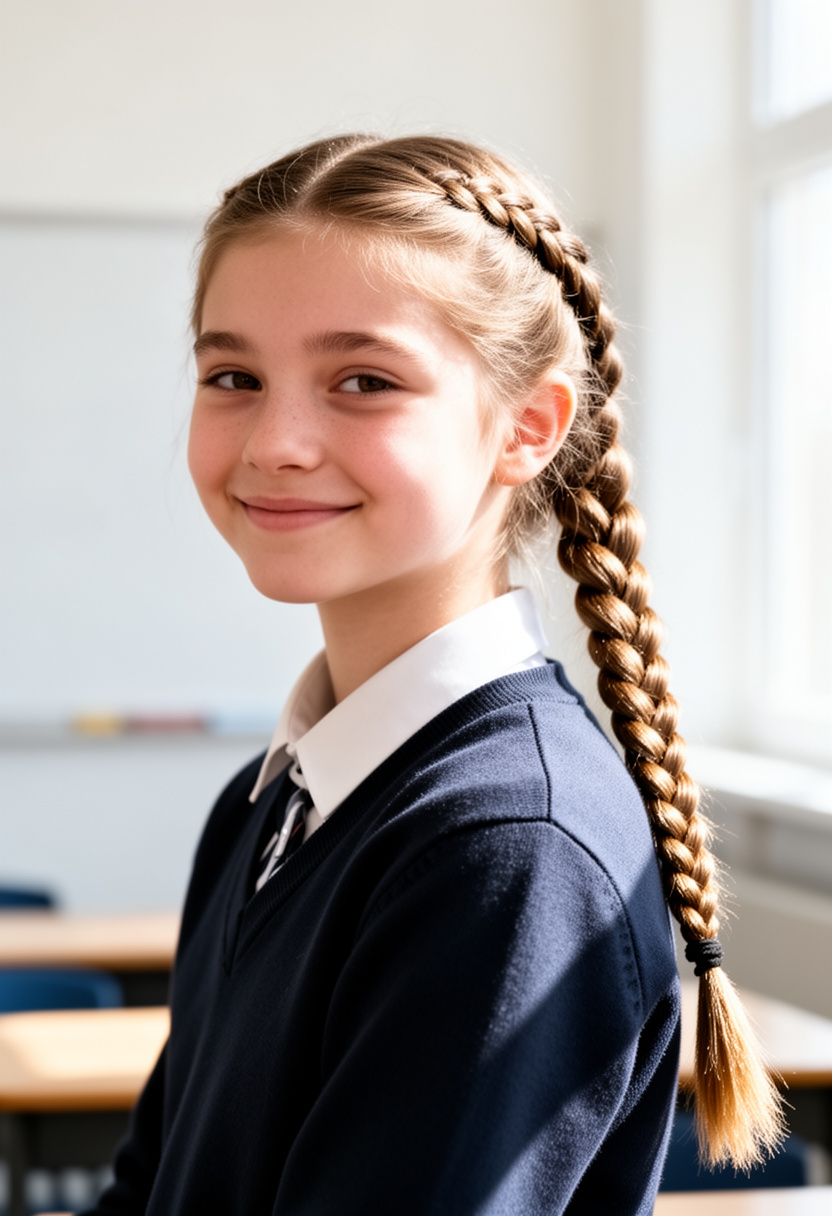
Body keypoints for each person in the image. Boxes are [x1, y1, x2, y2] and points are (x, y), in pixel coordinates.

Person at [81, 134, 782, 1215]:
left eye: (364, 381)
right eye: (234, 376)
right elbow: (154, 1187)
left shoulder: (508, 849)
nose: (276, 439)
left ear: (527, 427)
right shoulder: (274, 800)